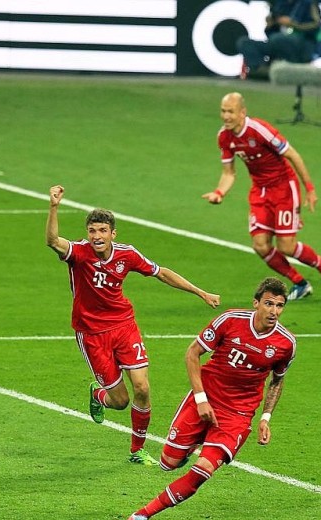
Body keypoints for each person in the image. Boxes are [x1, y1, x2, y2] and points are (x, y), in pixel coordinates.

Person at [46, 184, 221, 466]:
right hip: (91, 333)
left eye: (102, 231)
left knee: (142, 387)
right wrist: (54, 207)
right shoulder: (78, 253)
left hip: (124, 326)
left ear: (113, 234)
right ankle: (99, 393)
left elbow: (161, 273)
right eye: (92, 231)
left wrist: (200, 292)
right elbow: (53, 241)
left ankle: (136, 450)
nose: (97, 236)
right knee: (120, 401)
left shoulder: (127, 255)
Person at [126, 277, 296, 520]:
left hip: (238, 414)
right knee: (168, 462)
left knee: (204, 470)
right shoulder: (230, 320)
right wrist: (201, 399)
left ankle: (142, 514)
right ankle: (194, 442)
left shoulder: (286, 344)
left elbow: (277, 380)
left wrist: (266, 417)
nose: (274, 311)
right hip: (205, 398)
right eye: (269, 304)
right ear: (256, 303)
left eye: (280, 306)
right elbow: (192, 353)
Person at [202, 92, 321, 301]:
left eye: (231, 111)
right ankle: (300, 283)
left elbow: (293, 155)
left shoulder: (259, 130)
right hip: (260, 191)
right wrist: (219, 192)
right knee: (260, 245)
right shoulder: (224, 137)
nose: (226, 116)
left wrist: (309, 189)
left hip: (284, 187)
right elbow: (229, 172)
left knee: (287, 247)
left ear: (242, 112)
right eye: (223, 111)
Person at [237, 0, 321, 80]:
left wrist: (293, 24)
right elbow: (270, 34)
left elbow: (316, 25)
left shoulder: (308, 3)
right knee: (244, 43)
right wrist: (270, 25)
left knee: (277, 39)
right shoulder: (279, 4)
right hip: (278, 43)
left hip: (302, 43)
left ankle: (291, 70)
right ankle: (261, 70)